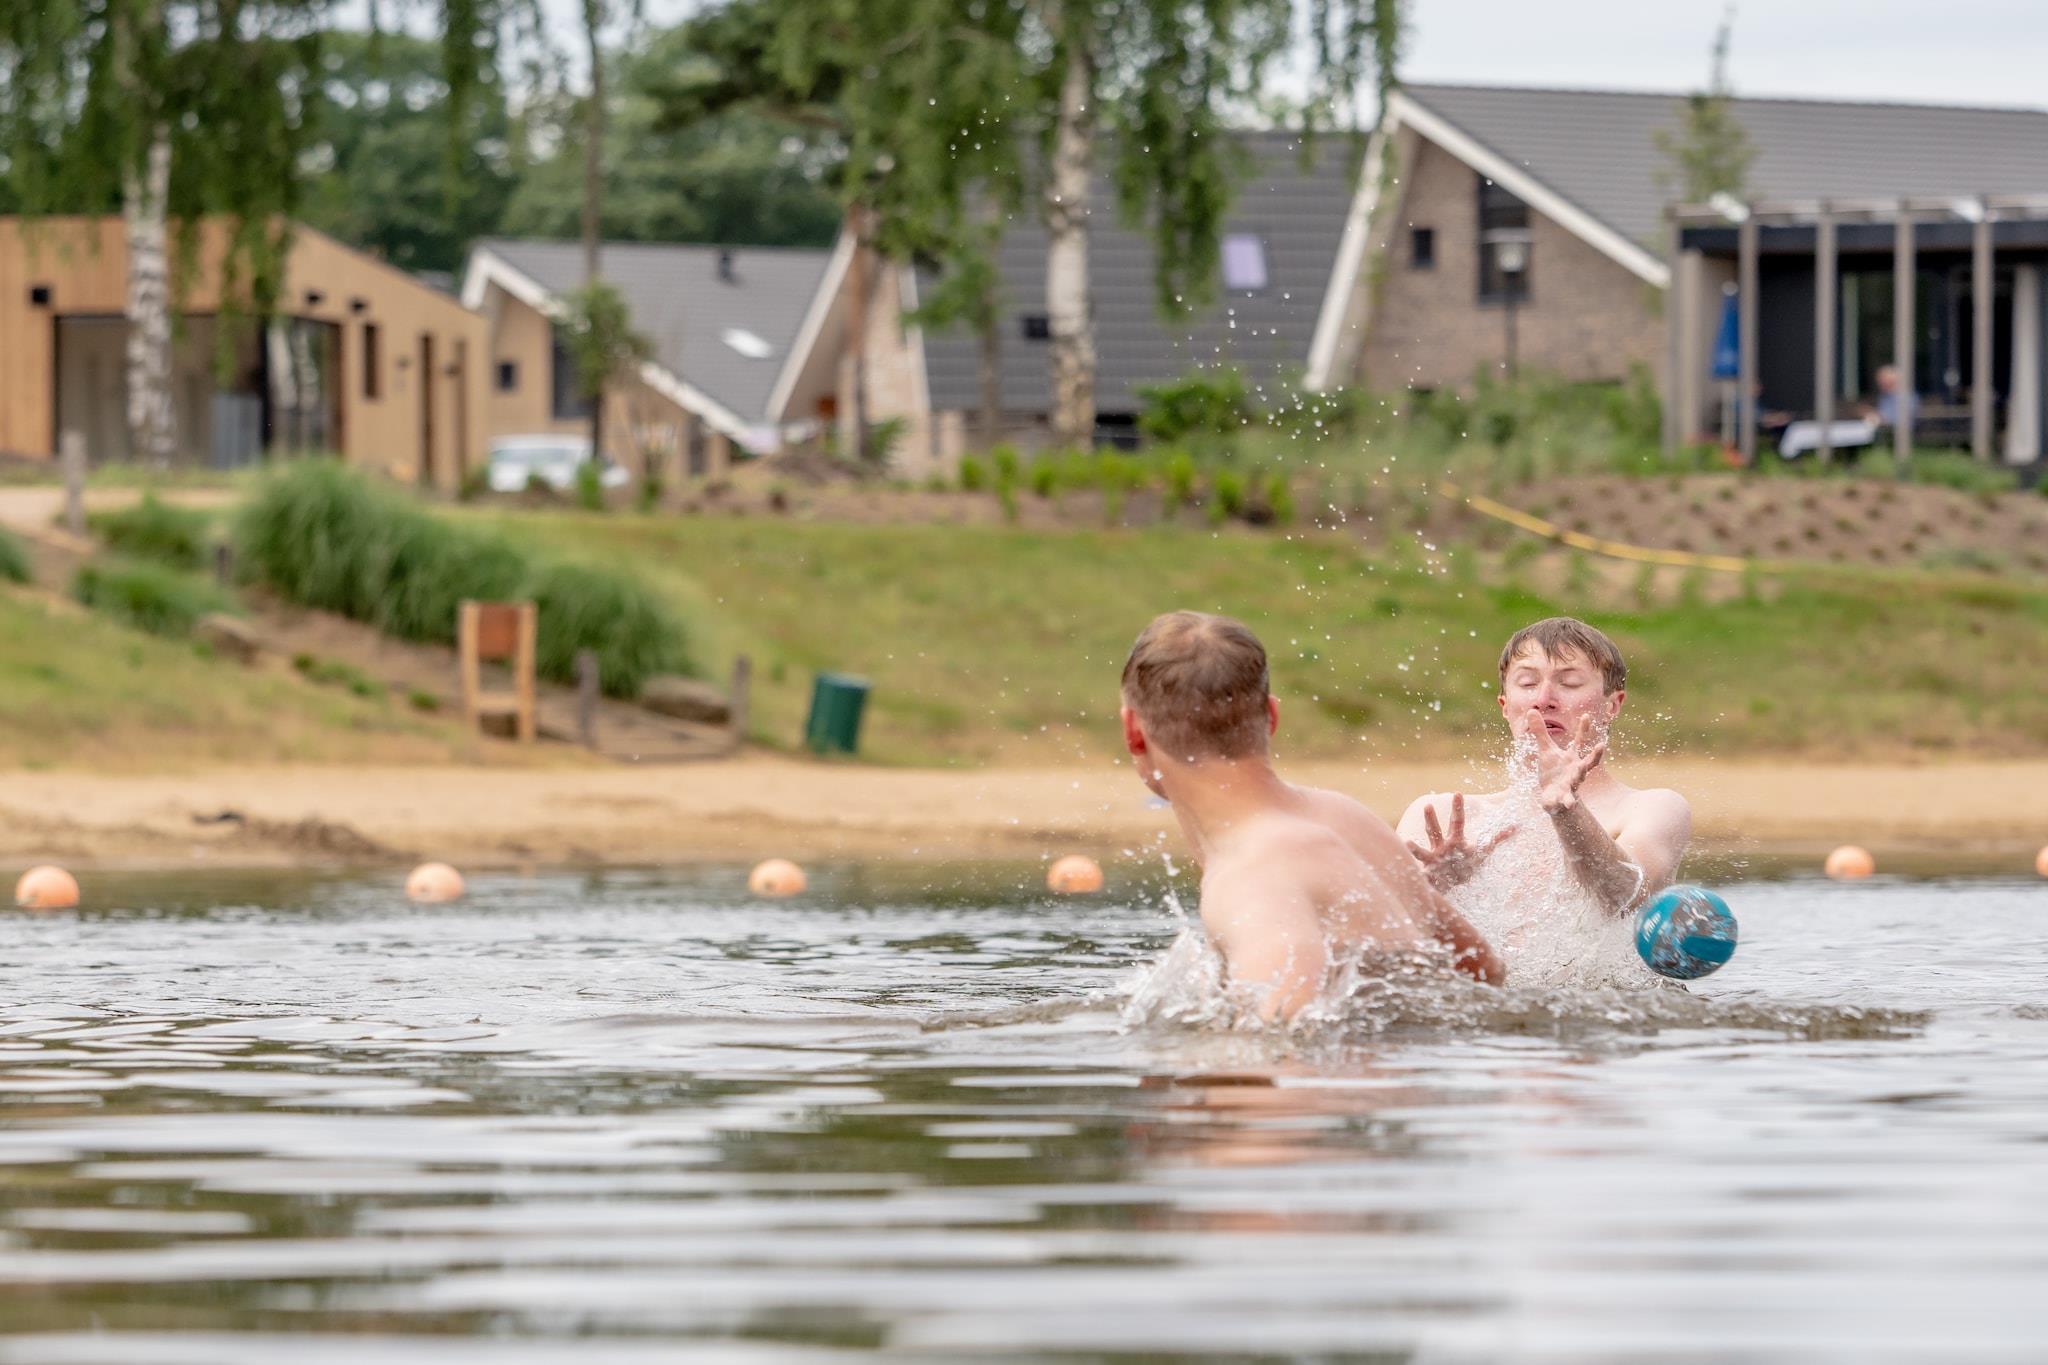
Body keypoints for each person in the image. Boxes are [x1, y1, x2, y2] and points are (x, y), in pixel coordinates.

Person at [1120, 611, 1504, 1022]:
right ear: (1271, 716)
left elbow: (1288, 1041)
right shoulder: (1342, 816)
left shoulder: (1252, 877)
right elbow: (1481, 970)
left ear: (1134, 732)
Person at [1397, 618, 1692, 948]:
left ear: (1612, 705)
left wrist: (1566, 811)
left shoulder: (1653, 808)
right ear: (1505, 707)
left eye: (1569, 683)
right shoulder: (1439, 817)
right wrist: (1436, 891)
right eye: (1527, 683)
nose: (1543, 698)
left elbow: (1624, 900)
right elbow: (1388, 940)